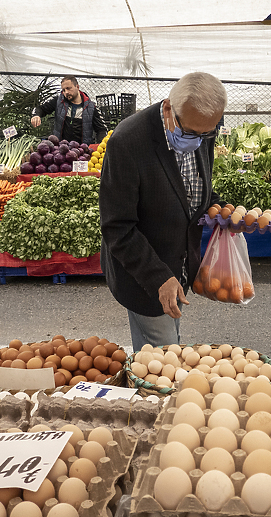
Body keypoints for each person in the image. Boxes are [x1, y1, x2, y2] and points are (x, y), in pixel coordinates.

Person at [99, 72, 227, 351]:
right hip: (144, 271)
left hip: (178, 264)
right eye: (191, 132)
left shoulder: (202, 129)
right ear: (169, 108)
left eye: (207, 133)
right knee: (164, 356)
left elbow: (194, 188)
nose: (199, 140)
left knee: (170, 348)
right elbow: (116, 226)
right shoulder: (127, 141)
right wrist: (159, 277)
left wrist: (219, 207)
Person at [30, 76, 107, 144]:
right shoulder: (58, 101)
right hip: (61, 150)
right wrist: (36, 115)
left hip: (83, 151)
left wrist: (100, 145)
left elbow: (102, 129)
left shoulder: (91, 107)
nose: (66, 92)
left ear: (77, 87)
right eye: (63, 90)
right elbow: (41, 108)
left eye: (69, 88)